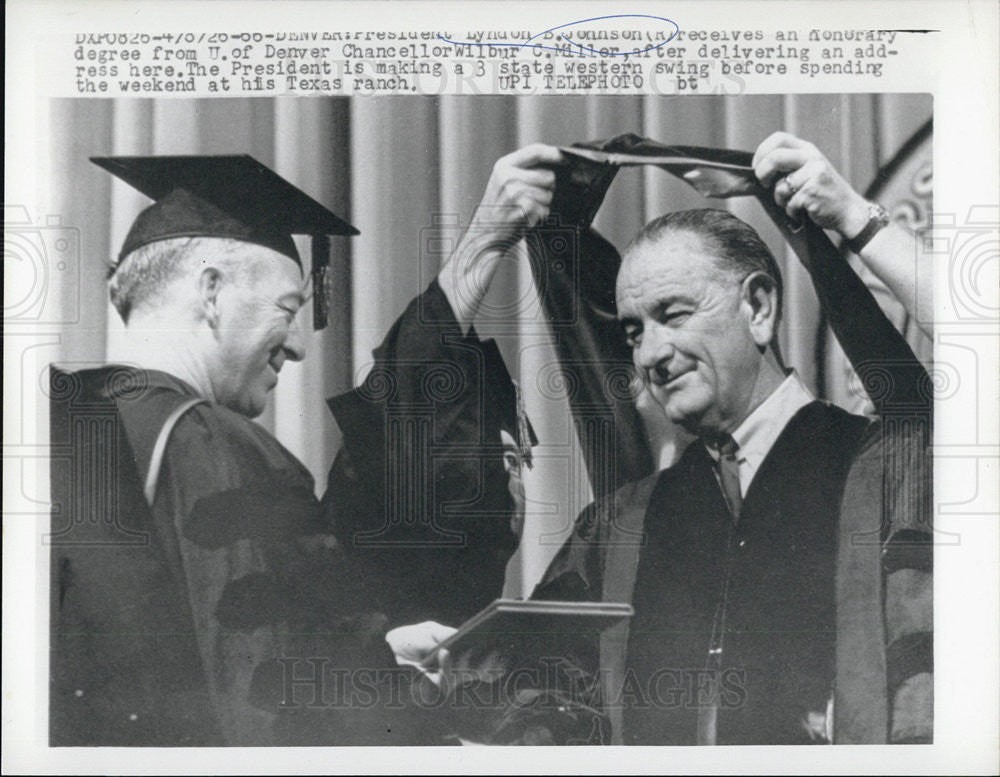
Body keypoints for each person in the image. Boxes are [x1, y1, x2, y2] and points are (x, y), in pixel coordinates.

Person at [390, 134, 932, 746]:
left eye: (673, 315)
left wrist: (855, 220)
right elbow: (544, 703)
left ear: (758, 306)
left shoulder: (895, 474)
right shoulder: (622, 524)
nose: (650, 354)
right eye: (631, 331)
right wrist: (439, 674)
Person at [48, 156, 437, 746]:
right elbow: (267, 700)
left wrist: (378, 651)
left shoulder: (46, 417)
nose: (301, 347)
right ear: (211, 291)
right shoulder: (212, 443)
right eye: (288, 308)